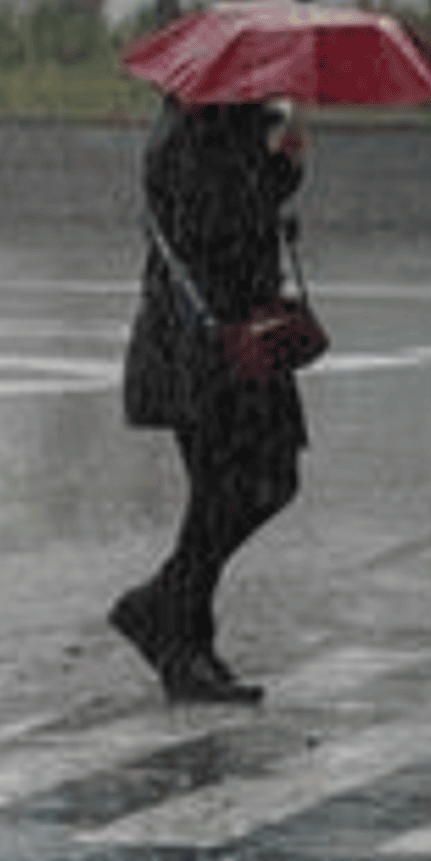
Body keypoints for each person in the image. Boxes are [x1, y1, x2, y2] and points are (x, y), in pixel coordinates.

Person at [112, 97, 308, 704]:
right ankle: (177, 634)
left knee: (260, 481)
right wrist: (274, 177)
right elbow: (212, 228)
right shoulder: (191, 134)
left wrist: (276, 174)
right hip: (205, 342)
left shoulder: (222, 127)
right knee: (233, 487)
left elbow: (232, 217)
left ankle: (171, 620)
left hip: (235, 337)